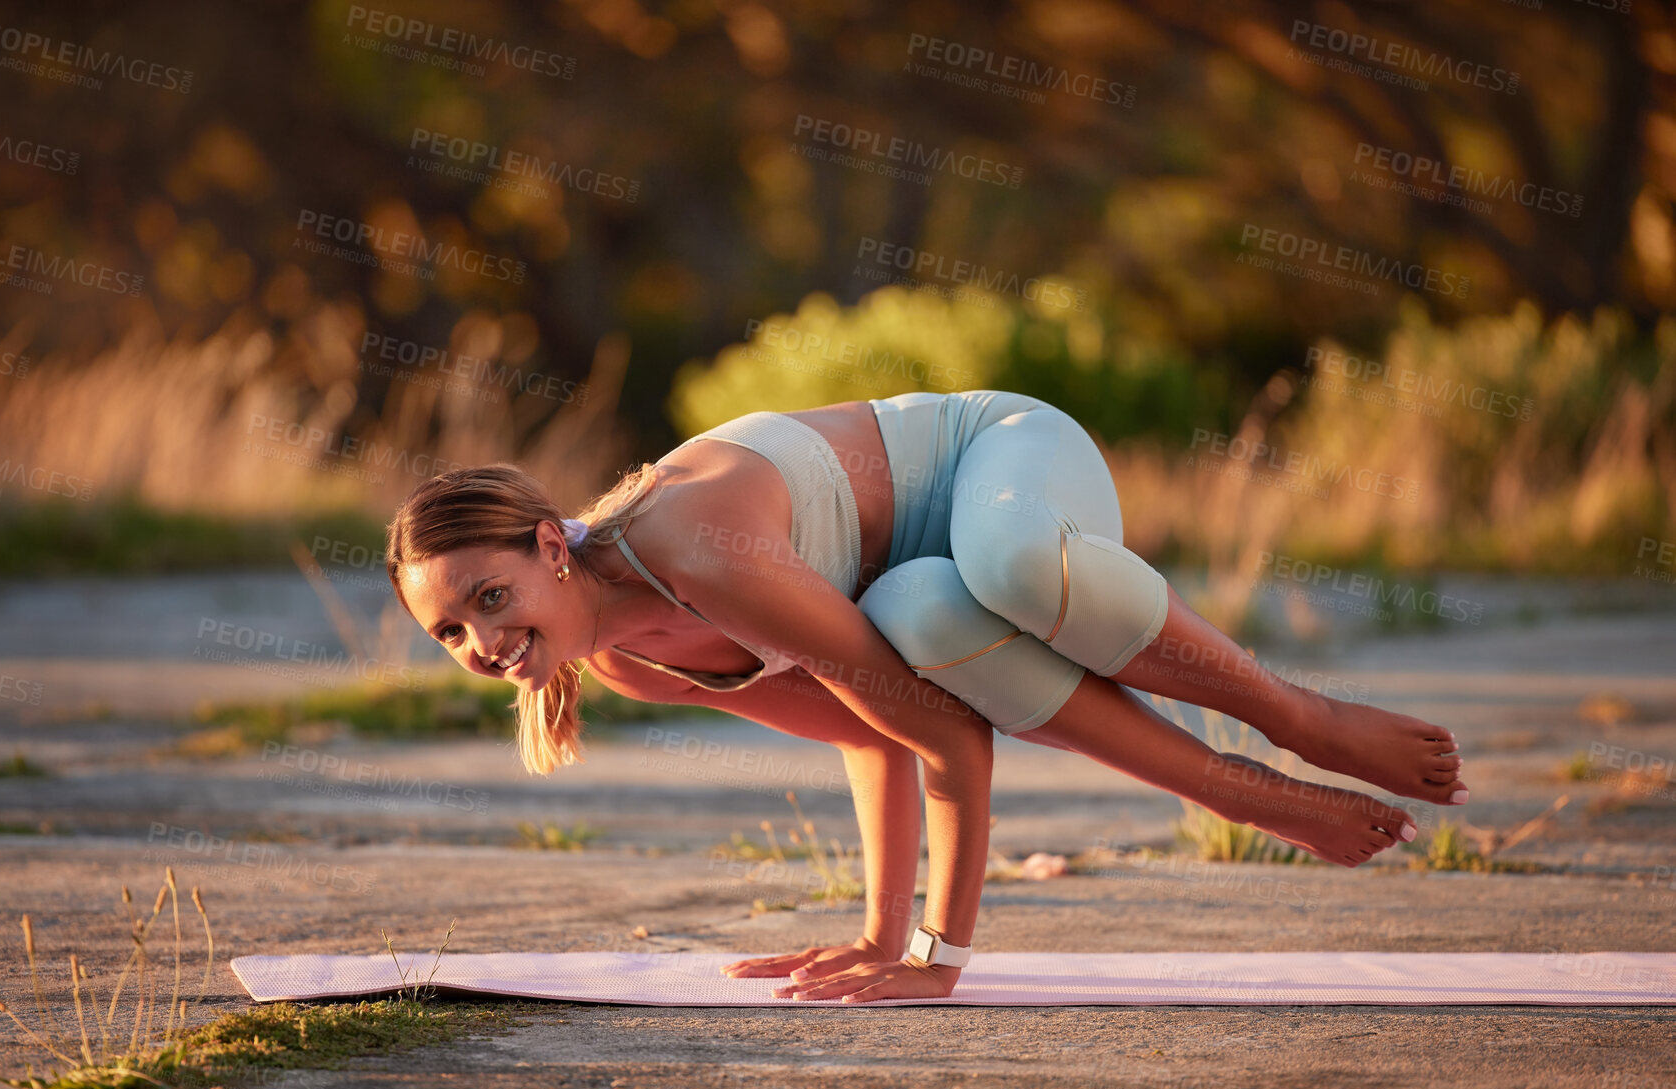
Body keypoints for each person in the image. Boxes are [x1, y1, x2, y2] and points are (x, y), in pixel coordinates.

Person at [385, 389, 1465, 1004]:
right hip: (912, 582)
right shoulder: (627, 663)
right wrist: (881, 937)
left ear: (545, 549)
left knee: (1000, 570)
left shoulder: (687, 551)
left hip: (1000, 462)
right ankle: (1239, 788)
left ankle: (1296, 720)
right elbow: (881, 732)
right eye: (451, 632)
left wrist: (939, 962)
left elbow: (942, 733)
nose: (483, 640)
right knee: (925, 617)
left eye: (491, 596)